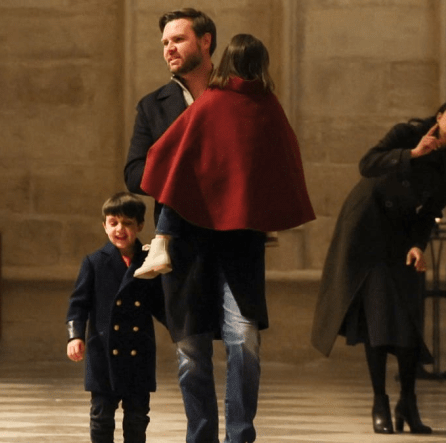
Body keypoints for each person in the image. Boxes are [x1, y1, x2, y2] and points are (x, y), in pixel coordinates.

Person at [133, 33, 315, 443]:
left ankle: (239, 436)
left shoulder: (264, 106)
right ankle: (201, 437)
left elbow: (277, 160)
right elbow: (171, 158)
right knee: (191, 351)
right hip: (191, 244)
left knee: (243, 341)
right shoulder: (211, 103)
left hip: (240, 244)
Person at [311, 97, 446, 435]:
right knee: (377, 317)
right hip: (368, 227)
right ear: (440, 115)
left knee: (407, 316)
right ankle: (380, 401)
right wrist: (413, 153)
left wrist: (418, 245)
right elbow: (367, 164)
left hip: (403, 233)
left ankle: (407, 401)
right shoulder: (407, 133)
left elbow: (431, 211)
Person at [65, 192, 166, 443]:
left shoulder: (150, 261)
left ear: (140, 226)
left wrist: (182, 330)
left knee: (137, 417)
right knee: (101, 416)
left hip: (138, 352)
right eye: (114, 223)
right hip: (103, 352)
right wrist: (75, 336)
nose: (120, 229)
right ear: (105, 226)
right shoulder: (94, 262)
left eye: (127, 223)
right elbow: (78, 304)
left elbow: (162, 305)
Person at [124, 8, 216, 224]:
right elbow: (134, 174)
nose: (169, 49)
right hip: (179, 234)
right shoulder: (151, 106)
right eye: (165, 43)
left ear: (205, 41)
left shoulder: (238, 94)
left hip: (236, 235)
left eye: (178, 39)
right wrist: (186, 174)